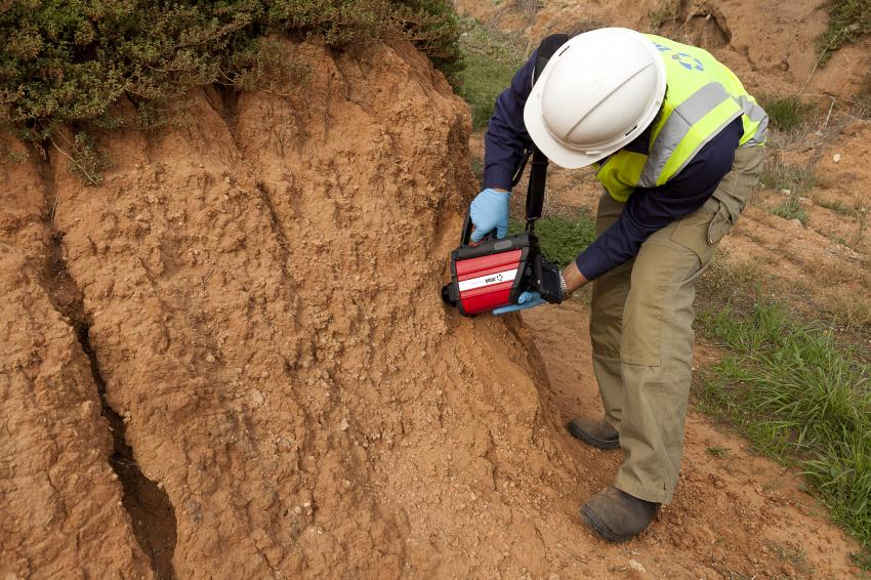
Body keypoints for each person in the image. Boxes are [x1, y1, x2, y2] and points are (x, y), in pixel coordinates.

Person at [470, 27, 767, 542]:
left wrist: (562, 281)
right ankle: (623, 420)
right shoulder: (563, 66)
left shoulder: (700, 150)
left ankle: (644, 486)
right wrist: (496, 186)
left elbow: (637, 229)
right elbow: (507, 118)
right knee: (610, 299)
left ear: (628, 134)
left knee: (652, 305)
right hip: (643, 157)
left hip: (710, 166)